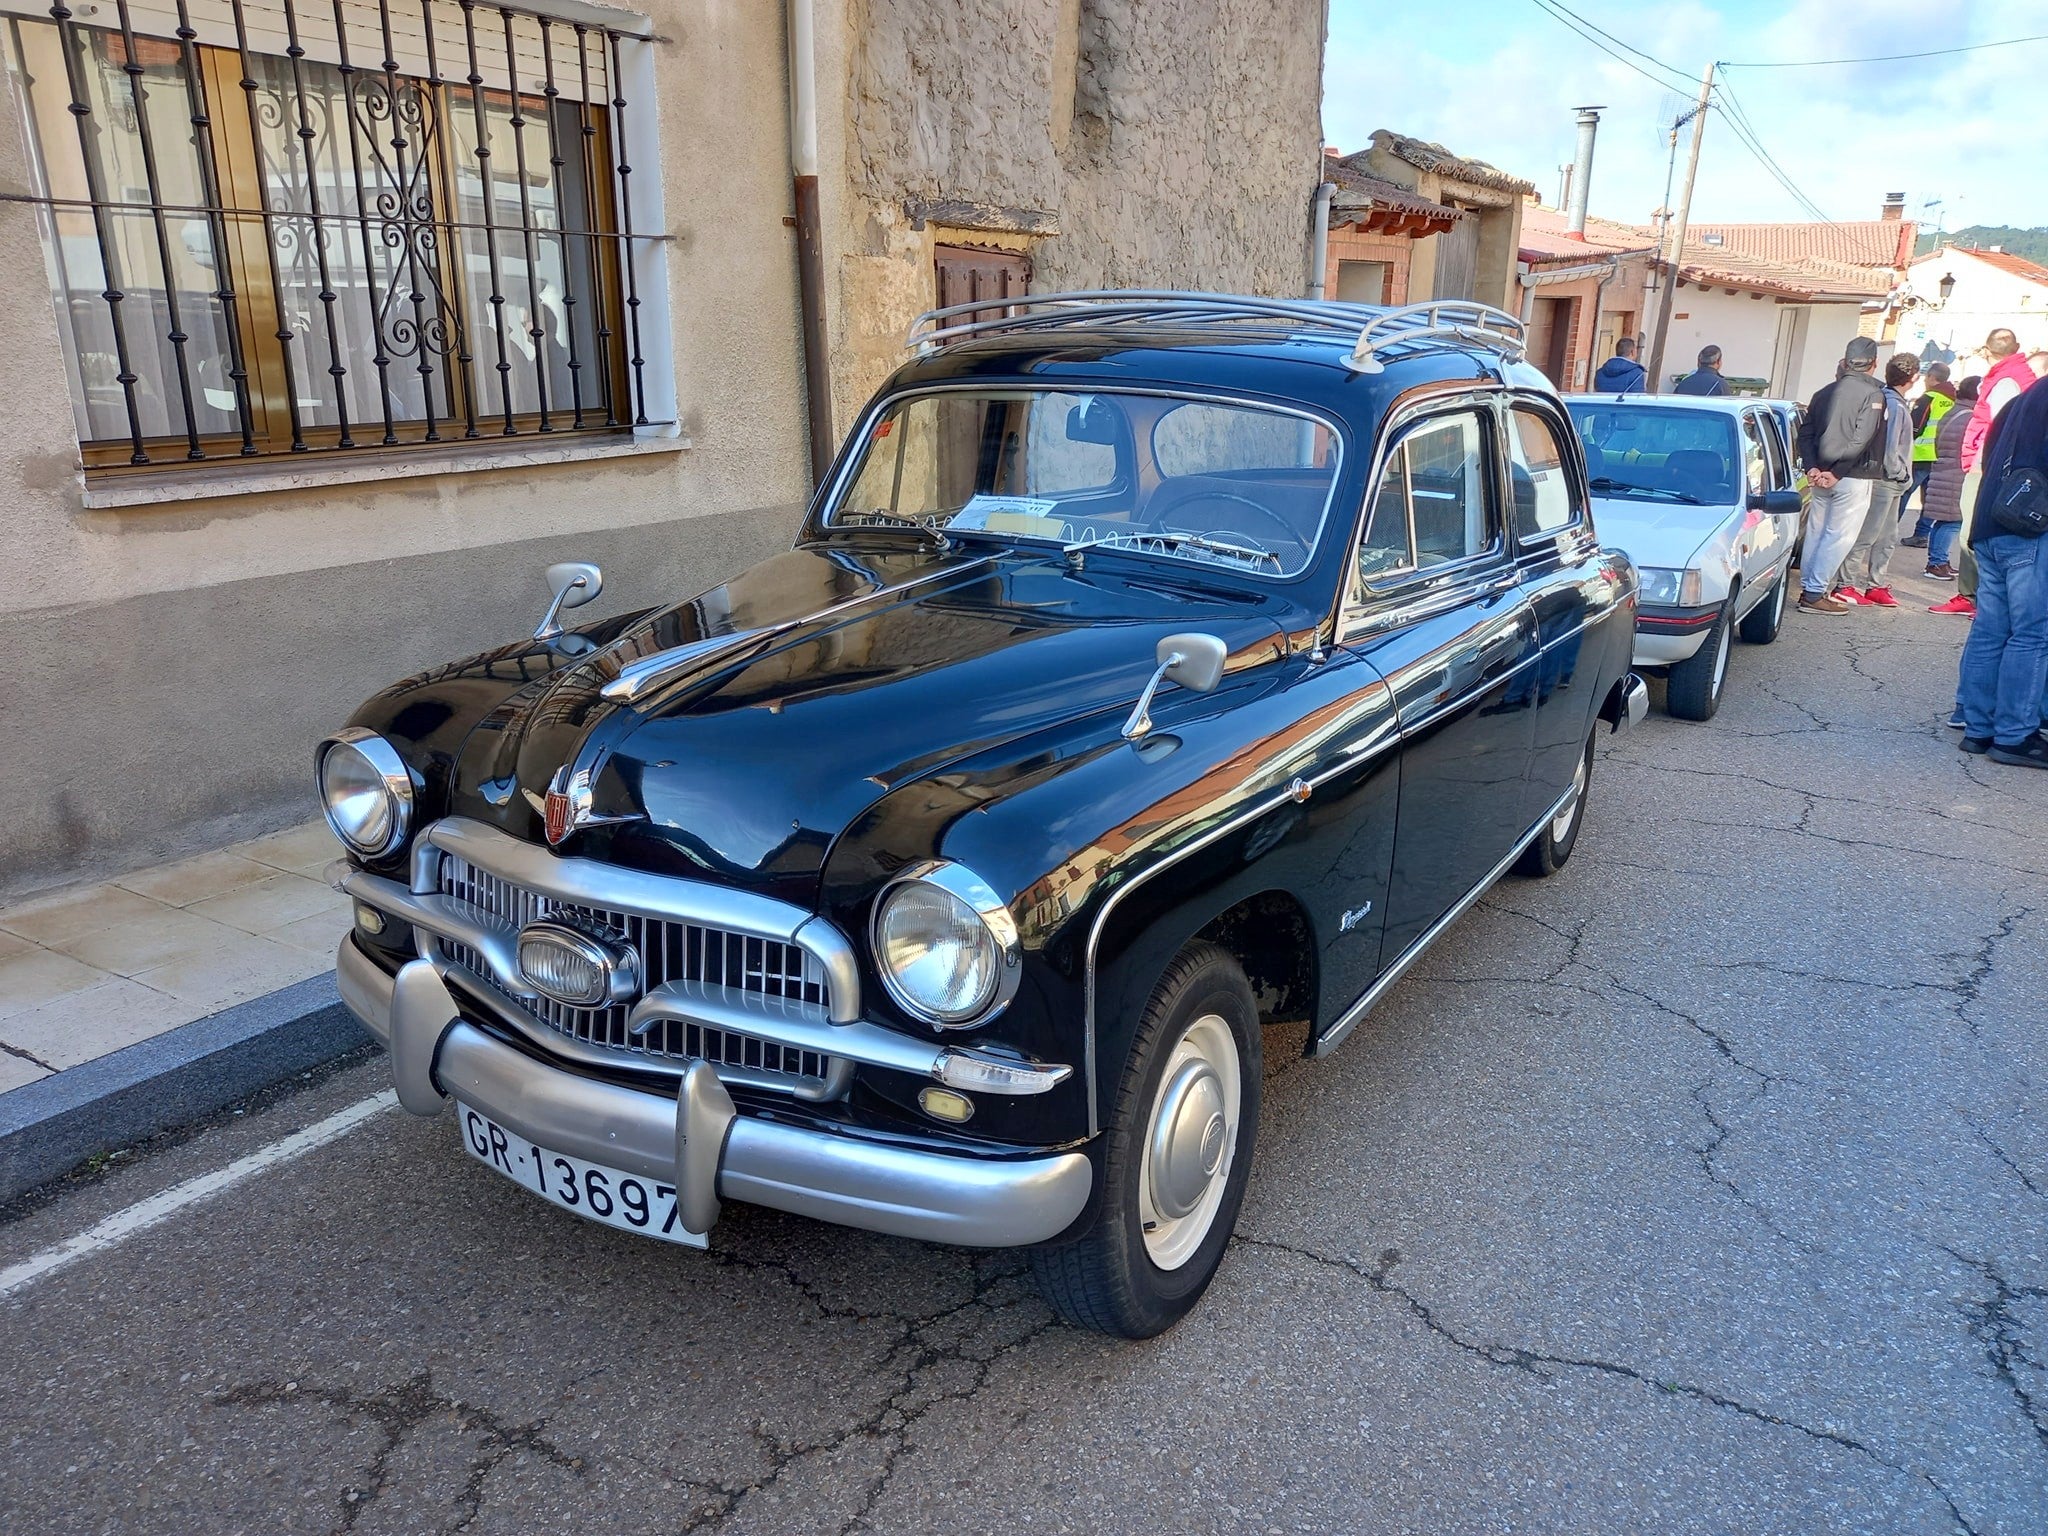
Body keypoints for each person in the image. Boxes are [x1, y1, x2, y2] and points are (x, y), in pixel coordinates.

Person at [1954, 369, 2048, 766]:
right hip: (2030, 527)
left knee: (1991, 628)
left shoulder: (2020, 399)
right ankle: (2014, 734)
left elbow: (1987, 459)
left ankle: (1978, 727)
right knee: (2031, 633)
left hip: (1992, 523)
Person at [1934, 329, 2040, 616]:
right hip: (1995, 465)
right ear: (2017, 347)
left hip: (1987, 466)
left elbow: (2000, 427)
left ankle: (1974, 598)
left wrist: (1985, 466)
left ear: (1986, 351)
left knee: (1972, 533)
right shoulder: (2018, 375)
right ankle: (1981, 599)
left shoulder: (2005, 380)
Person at [1794, 336, 1889, 615]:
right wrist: (1836, 472)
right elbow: (1862, 438)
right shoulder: (1873, 394)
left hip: (1819, 474)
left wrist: (1812, 466)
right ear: (1874, 364)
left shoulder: (1824, 392)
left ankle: (1810, 589)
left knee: (1816, 532)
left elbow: (1806, 433)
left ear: (1845, 362)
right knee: (1839, 536)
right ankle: (1814, 593)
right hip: (1850, 475)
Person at [1836, 352, 1919, 605]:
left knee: (1887, 536)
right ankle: (1846, 584)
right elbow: (1889, 446)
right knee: (1867, 534)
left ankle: (1876, 584)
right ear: (1914, 377)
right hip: (1886, 479)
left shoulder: (1894, 401)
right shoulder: (1893, 405)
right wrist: (1900, 472)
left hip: (1892, 479)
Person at [1921, 375, 1978, 579]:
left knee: (1943, 520)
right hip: (1957, 474)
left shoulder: (1952, 411)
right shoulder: (1971, 417)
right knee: (1953, 521)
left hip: (1942, 470)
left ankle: (1937, 561)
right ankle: (1937, 563)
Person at [1900, 361, 1956, 547]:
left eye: (1926, 377)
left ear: (1932, 378)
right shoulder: (1952, 401)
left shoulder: (1928, 398)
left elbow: (1914, 428)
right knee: (1931, 500)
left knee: (1904, 493)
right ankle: (1921, 535)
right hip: (1942, 457)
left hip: (1921, 456)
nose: (1924, 380)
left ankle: (1887, 530)